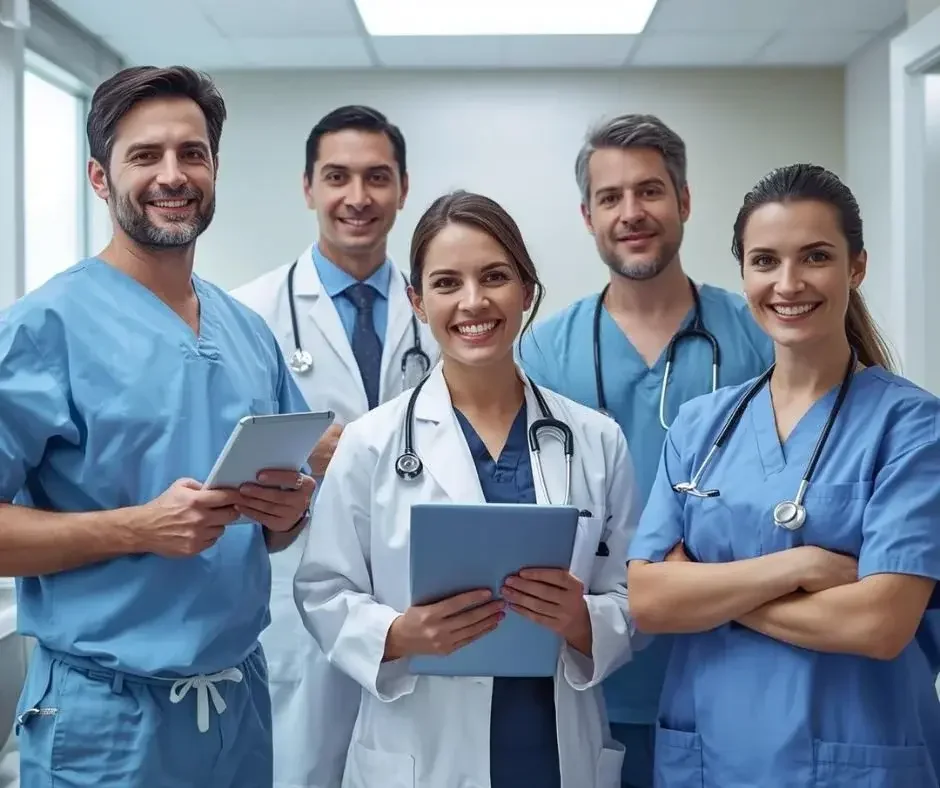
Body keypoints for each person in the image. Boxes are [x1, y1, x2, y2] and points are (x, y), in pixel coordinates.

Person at [0, 66, 314, 787]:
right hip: (106, 722)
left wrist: (288, 514)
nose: (173, 175)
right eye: (145, 155)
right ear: (100, 178)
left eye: (191, 153)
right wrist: (138, 529)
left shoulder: (246, 331)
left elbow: (279, 525)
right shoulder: (43, 329)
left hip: (237, 706)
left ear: (213, 168)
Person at [294, 190, 646, 788]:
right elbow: (325, 591)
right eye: (447, 283)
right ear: (417, 300)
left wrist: (582, 620)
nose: (473, 302)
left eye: (495, 277)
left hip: (553, 750)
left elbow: (635, 594)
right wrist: (399, 634)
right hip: (420, 751)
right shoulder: (371, 443)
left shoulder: (596, 440)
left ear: (527, 290)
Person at [626, 163, 940, 787]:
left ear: (856, 267)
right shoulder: (700, 426)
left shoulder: (912, 427)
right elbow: (650, 600)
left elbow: (879, 624)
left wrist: (711, 597)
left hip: (857, 758)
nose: (788, 283)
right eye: (765, 260)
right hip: (711, 759)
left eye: (815, 257)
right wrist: (795, 569)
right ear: (743, 272)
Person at [517, 113, 775, 787]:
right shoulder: (546, 350)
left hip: (737, 658)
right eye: (611, 197)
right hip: (599, 673)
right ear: (587, 215)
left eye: (651, 191)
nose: (632, 213)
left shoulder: (756, 337)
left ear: (685, 201)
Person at [231, 104, 438, 788]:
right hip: (298, 601)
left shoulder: (445, 312)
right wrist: (298, 449)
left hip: (416, 592)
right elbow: (221, 463)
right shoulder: (248, 313)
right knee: (302, 767)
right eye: (337, 177)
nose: (358, 198)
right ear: (308, 187)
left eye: (377, 177)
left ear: (403, 189)